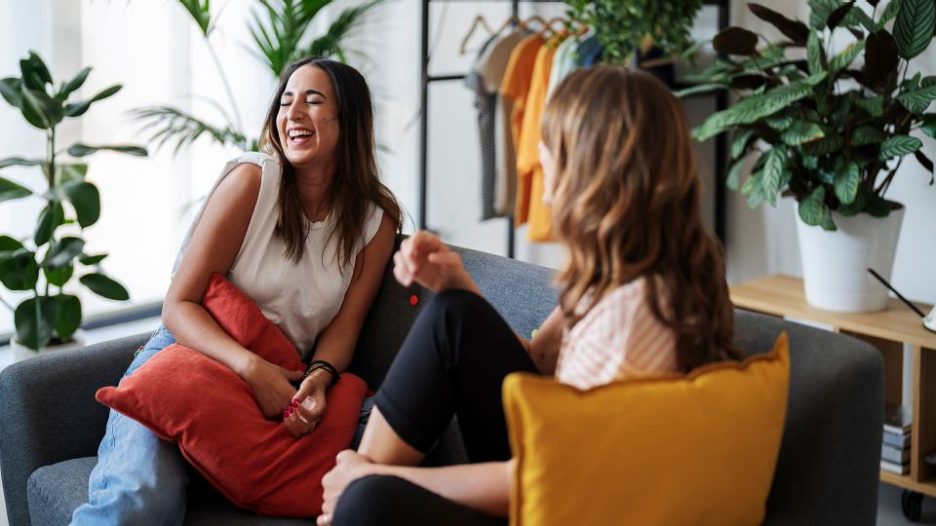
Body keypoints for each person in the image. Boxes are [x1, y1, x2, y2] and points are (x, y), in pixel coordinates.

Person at [316, 66, 741, 526]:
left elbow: (556, 480)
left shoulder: (636, 312)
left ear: (594, 168)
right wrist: (458, 284)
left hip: (566, 503)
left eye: (550, 148)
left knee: (368, 501)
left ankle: (353, 485)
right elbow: (539, 362)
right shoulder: (616, 272)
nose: (536, 159)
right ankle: (354, 483)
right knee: (455, 314)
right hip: (553, 463)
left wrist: (376, 483)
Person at [71, 57, 401, 525]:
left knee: (390, 442)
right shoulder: (253, 181)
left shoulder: (375, 221)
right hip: (189, 359)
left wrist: (319, 380)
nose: (293, 114)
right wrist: (252, 369)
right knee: (140, 501)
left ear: (350, 121)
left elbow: (343, 331)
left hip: (277, 385)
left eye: (313, 100)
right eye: (286, 102)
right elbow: (178, 306)